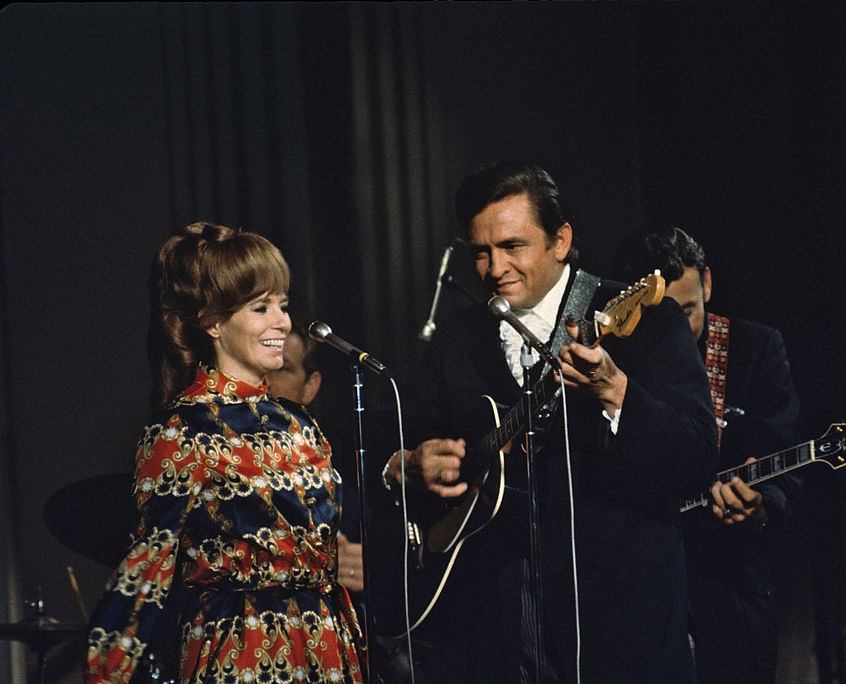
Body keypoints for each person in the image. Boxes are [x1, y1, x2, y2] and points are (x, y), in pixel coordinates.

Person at [377, 162, 718, 682]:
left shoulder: (646, 321)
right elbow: (402, 436)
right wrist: (405, 466)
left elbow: (696, 459)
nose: (494, 269)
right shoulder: (457, 339)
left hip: (619, 631)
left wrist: (616, 392)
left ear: (561, 240)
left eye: (513, 247)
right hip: (496, 631)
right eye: (480, 252)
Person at [85, 222, 363, 682]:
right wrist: (105, 672)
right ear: (213, 322)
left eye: (283, 305)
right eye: (261, 308)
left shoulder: (299, 422)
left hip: (326, 646)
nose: (283, 322)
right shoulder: (182, 432)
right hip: (245, 651)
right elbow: (143, 576)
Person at [624, 227, 801, 683]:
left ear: (707, 283)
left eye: (686, 313)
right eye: (662, 318)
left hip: (729, 584)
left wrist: (761, 506)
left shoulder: (756, 349)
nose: (677, 333)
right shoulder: (620, 355)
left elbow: (783, 466)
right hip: (641, 587)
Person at [267, 322, 364, 594]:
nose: (265, 382)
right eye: (257, 368)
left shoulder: (335, 479)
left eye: (282, 369)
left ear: (311, 386)